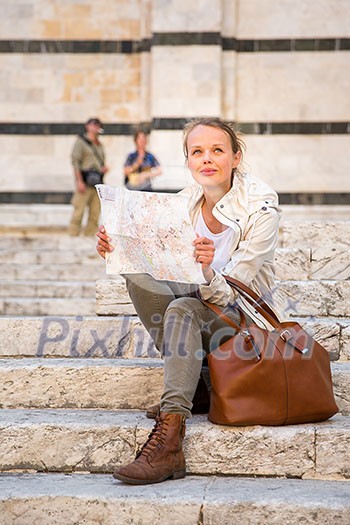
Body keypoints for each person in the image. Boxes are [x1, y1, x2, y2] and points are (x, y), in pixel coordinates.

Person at [96, 117, 281, 485]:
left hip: (242, 320)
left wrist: (209, 268)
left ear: (236, 157)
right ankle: (196, 385)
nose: (207, 159)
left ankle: (170, 443)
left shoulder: (261, 207)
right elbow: (161, 264)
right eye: (197, 152)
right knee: (136, 274)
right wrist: (116, 248)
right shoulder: (184, 202)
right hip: (200, 309)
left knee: (182, 308)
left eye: (217, 150)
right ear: (188, 160)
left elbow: (233, 290)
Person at [68, 118, 109, 236]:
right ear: (87, 126)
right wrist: (79, 181)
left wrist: (103, 169)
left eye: (98, 125)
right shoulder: (80, 142)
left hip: (97, 181)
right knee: (78, 212)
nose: (95, 128)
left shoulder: (99, 145)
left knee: (95, 213)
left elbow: (100, 162)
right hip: (84, 181)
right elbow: (76, 162)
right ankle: (73, 236)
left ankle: (90, 237)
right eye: (93, 125)